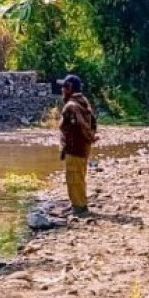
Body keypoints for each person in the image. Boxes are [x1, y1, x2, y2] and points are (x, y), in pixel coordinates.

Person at [58, 74, 98, 216]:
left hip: (75, 148)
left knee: (74, 178)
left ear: (69, 88)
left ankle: (80, 207)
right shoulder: (83, 101)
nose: (62, 90)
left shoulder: (71, 106)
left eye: (63, 87)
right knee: (78, 177)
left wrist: (89, 137)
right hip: (83, 147)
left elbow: (80, 126)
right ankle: (76, 203)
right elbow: (92, 122)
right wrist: (91, 138)